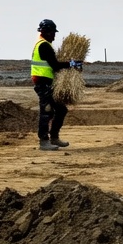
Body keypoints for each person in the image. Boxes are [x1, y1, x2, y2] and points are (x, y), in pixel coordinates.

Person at [31, 19, 81, 151]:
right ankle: (44, 141)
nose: (54, 36)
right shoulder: (44, 45)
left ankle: (54, 137)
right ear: (46, 32)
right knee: (46, 111)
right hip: (43, 84)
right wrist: (71, 64)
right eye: (53, 33)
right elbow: (55, 65)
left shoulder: (44, 44)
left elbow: (54, 65)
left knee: (61, 109)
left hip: (47, 83)